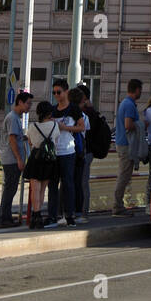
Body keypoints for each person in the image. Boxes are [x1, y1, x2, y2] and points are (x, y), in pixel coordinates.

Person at [49, 78, 83, 226]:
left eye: (59, 92)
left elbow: (82, 127)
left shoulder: (74, 109)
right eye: (54, 92)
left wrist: (65, 128)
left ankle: (69, 215)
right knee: (52, 184)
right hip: (54, 152)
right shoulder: (53, 110)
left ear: (66, 92)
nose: (56, 95)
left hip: (68, 151)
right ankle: (53, 215)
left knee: (68, 183)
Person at [0, 91, 33, 226]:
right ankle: (4, 219)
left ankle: (5, 217)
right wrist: (19, 159)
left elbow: (15, 137)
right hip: (11, 159)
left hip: (11, 158)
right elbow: (12, 139)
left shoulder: (15, 117)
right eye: (28, 103)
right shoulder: (13, 118)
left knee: (10, 189)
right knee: (10, 189)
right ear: (20, 102)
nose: (30, 107)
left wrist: (24, 137)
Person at [25, 101, 60, 229]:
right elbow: (56, 142)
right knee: (43, 189)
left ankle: (36, 215)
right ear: (50, 113)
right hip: (49, 160)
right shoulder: (54, 126)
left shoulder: (32, 126)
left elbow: (29, 142)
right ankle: (39, 218)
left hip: (36, 158)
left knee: (35, 189)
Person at [114, 79, 142, 215]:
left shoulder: (125, 103)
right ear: (137, 90)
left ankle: (118, 205)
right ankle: (117, 206)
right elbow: (128, 125)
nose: (141, 92)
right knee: (124, 176)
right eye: (140, 90)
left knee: (124, 175)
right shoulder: (130, 105)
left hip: (122, 143)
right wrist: (140, 125)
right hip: (126, 144)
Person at [75, 83, 97, 220]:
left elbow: (87, 131)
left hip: (85, 151)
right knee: (80, 181)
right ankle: (80, 210)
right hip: (84, 151)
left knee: (82, 182)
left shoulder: (87, 113)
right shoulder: (89, 111)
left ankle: (82, 210)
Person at [68, 87, 89, 223]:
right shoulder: (84, 117)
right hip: (78, 152)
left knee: (67, 182)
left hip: (66, 151)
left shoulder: (65, 115)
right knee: (78, 183)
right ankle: (78, 212)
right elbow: (85, 131)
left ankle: (65, 211)